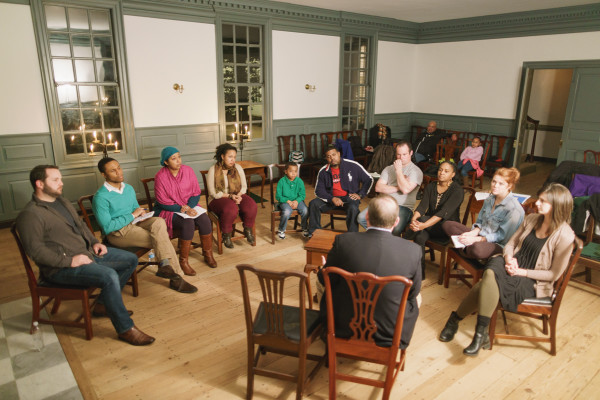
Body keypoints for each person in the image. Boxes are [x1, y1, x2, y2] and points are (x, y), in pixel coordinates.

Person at [16, 165, 154, 345]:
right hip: (60, 268)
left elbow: (81, 226)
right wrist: (70, 261)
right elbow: (36, 251)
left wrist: (95, 242)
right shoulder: (31, 214)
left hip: (86, 253)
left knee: (130, 260)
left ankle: (103, 304)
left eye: (60, 179)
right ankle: (125, 328)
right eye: (55, 180)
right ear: (39, 184)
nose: (61, 183)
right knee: (109, 275)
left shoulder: (61, 202)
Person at [439, 183, 575, 356]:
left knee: (485, 285)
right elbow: (510, 243)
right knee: (490, 271)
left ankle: (458, 322)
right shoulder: (532, 219)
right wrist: (509, 258)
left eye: (543, 201)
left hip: (531, 279)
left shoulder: (565, 235)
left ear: (557, 207)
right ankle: (479, 335)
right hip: (512, 263)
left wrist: (521, 272)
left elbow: (553, 274)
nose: (537, 203)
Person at [318, 194, 422, 349]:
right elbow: (413, 293)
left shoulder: (343, 241)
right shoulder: (413, 250)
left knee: (323, 281)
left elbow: (325, 280)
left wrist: (324, 270)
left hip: (344, 327)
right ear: (397, 221)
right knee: (418, 297)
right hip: (390, 334)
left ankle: (327, 329)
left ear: (366, 217)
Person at [92, 158, 197, 294]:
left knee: (159, 221)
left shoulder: (128, 188)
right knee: (161, 239)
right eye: (113, 170)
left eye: (119, 167)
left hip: (135, 223)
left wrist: (141, 213)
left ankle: (166, 266)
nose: (119, 172)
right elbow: (107, 227)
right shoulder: (100, 197)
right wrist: (132, 215)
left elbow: (135, 208)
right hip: (119, 233)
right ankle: (176, 278)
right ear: (104, 175)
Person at [154, 146, 217, 274]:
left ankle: (208, 254)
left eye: (179, 157)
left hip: (189, 206)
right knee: (188, 223)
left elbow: (196, 193)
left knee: (204, 219)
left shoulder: (188, 170)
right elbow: (162, 201)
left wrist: (189, 207)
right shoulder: (160, 176)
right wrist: (183, 209)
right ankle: (184, 261)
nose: (178, 161)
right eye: (173, 158)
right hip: (169, 209)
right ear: (166, 162)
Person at [442, 167, 524, 260]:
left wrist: (477, 239)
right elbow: (480, 222)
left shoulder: (514, 209)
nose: (495, 185)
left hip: (498, 244)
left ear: (509, 186)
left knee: (477, 249)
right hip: (481, 235)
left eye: (500, 183)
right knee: (447, 224)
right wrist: (473, 233)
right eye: (494, 181)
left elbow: (502, 237)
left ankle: (464, 246)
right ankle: (467, 247)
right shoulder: (489, 199)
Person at [408, 161, 464, 279]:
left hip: (446, 228)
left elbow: (442, 214)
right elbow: (422, 207)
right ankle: (420, 274)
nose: (441, 173)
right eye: (440, 170)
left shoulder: (457, 191)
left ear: (453, 174)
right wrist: (414, 220)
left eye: (446, 171)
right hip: (428, 225)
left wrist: (421, 224)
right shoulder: (431, 186)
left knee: (421, 221)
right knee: (419, 236)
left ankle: (402, 246)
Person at [358, 141, 423, 236]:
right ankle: (381, 238)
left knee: (396, 229)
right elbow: (378, 188)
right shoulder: (388, 169)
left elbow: (405, 190)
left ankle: (384, 240)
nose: (401, 158)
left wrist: (399, 171)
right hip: (384, 203)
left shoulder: (416, 171)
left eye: (404, 154)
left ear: (411, 153)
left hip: (403, 207)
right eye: (398, 154)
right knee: (361, 217)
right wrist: (398, 187)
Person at [306, 145, 373, 238]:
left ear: (339, 154)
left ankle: (352, 237)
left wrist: (361, 194)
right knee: (313, 203)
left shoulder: (352, 165)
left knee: (353, 208)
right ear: (326, 159)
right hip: (332, 199)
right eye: (329, 156)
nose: (332, 158)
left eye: (333, 155)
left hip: (349, 198)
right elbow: (319, 190)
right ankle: (313, 234)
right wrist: (332, 198)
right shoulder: (323, 171)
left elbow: (368, 179)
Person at [206, 143, 257, 248]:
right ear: (222, 156)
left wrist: (238, 195)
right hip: (218, 198)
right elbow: (213, 193)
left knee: (251, 205)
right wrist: (230, 196)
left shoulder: (237, 168)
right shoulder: (213, 170)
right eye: (230, 157)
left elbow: (244, 186)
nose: (233, 160)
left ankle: (247, 230)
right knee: (230, 208)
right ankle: (226, 235)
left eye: (234, 157)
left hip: (236, 195)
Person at [275, 162, 308, 239]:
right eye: (291, 171)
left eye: (295, 171)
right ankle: (281, 229)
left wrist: (296, 201)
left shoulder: (299, 181)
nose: (293, 173)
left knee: (305, 210)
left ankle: (304, 227)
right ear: (286, 171)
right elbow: (278, 196)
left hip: (297, 201)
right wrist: (288, 201)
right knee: (287, 211)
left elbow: (302, 195)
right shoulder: (281, 181)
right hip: (285, 201)